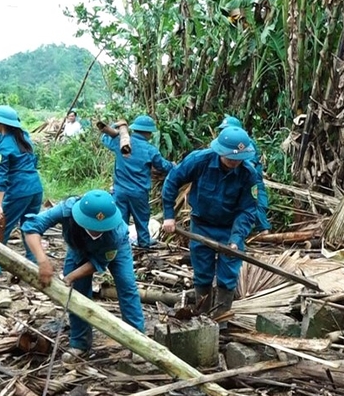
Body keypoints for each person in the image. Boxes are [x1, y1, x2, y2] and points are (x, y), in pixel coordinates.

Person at [23, 189, 145, 362]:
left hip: (116, 250)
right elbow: (32, 227)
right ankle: (80, 344)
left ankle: (138, 343)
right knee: (77, 293)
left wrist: (70, 277)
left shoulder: (115, 233)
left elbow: (98, 263)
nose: (96, 232)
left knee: (127, 287)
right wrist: (42, 261)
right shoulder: (66, 210)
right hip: (78, 248)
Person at [161, 126, 261, 324]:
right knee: (203, 273)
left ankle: (221, 321)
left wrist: (236, 238)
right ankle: (203, 317)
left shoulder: (248, 173)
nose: (234, 163)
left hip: (230, 227)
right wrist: (168, 216)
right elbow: (173, 180)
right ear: (219, 151)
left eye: (238, 159)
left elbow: (248, 209)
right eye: (230, 158)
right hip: (202, 225)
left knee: (228, 275)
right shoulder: (199, 161)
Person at [0, 106, 43, 278]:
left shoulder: (5, 145)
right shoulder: (24, 137)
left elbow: (2, 177)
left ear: (0, 123)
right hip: (35, 188)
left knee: (1, 226)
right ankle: (32, 261)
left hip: (19, 191)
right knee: (28, 225)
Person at [100, 115, 173, 248]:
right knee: (141, 218)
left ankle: (120, 245)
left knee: (120, 220)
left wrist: (117, 126)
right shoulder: (150, 149)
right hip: (139, 192)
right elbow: (163, 166)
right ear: (149, 133)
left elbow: (104, 138)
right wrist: (174, 166)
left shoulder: (120, 141)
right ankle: (144, 244)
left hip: (120, 190)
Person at [218, 115, 271, 233]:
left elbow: (249, 164)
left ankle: (263, 230)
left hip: (250, 179)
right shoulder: (225, 142)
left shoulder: (244, 143)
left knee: (255, 202)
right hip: (235, 178)